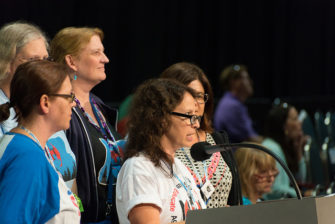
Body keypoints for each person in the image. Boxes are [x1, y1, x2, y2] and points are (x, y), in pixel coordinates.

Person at [50, 27, 124, 223]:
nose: (105, 59)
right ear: (71, 61)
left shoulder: (100, 107)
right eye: (96, 53)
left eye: (103, 52)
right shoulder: (59, 111)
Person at [116, 78, 206, 224]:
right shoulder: (139, 167)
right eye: (189, 115)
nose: (196, 124)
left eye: (196, 116)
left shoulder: (179, 166)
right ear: (161, 118)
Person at [0, 60, 80, 223]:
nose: (73, 103)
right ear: (45, 102)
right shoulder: (26, 157)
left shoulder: (28, 147)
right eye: (69, 96)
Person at [0, 21, 77, 191]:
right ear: (6, 61)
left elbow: (69, 172)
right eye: (34, 60)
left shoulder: (49, 104)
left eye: (45, 59)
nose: (43, 67)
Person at [160, 62, 242, 207]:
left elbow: (234, 199)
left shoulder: (217, 139)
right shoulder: (161, 143)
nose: (195, 104)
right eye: (188, 95)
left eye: (199, 96)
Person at [262, 102, 308, 199]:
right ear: (284, 125)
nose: (299, 123)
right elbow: (273, 189)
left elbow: (300, 180)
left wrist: (298, 150)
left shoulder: (283, 146)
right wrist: (302, 194)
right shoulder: (271, 147)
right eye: (295, 119)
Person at [214, 64, 262, 143]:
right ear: (234, 82)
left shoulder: (233, 103)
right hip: (236, 153)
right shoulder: (232, 106)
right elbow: (250, 139)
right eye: (246, 78)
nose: (250, 82)